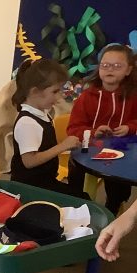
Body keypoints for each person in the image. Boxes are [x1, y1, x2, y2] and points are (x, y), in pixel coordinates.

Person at [67, 44, 136, 215]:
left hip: (120, 153)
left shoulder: (133, 96)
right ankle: (79, 211)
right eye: (105, 65)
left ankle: (111, 211)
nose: (109, 69)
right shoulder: (86, 97)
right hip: (86, 151)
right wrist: (93, 132)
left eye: (117, 66)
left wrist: (129, 127)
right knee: (77, 184)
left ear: (128, 70)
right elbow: (73, 128)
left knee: (119, 187)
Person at [9, 59, 82, 193]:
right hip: (30, 189)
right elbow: (29, 161)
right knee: (81, 199)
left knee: (79, 193)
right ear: (35, 92)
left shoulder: (41, 115)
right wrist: (62, 146)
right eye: (55, 91)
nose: (59, 97)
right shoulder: (27, 122)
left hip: (44, 183)